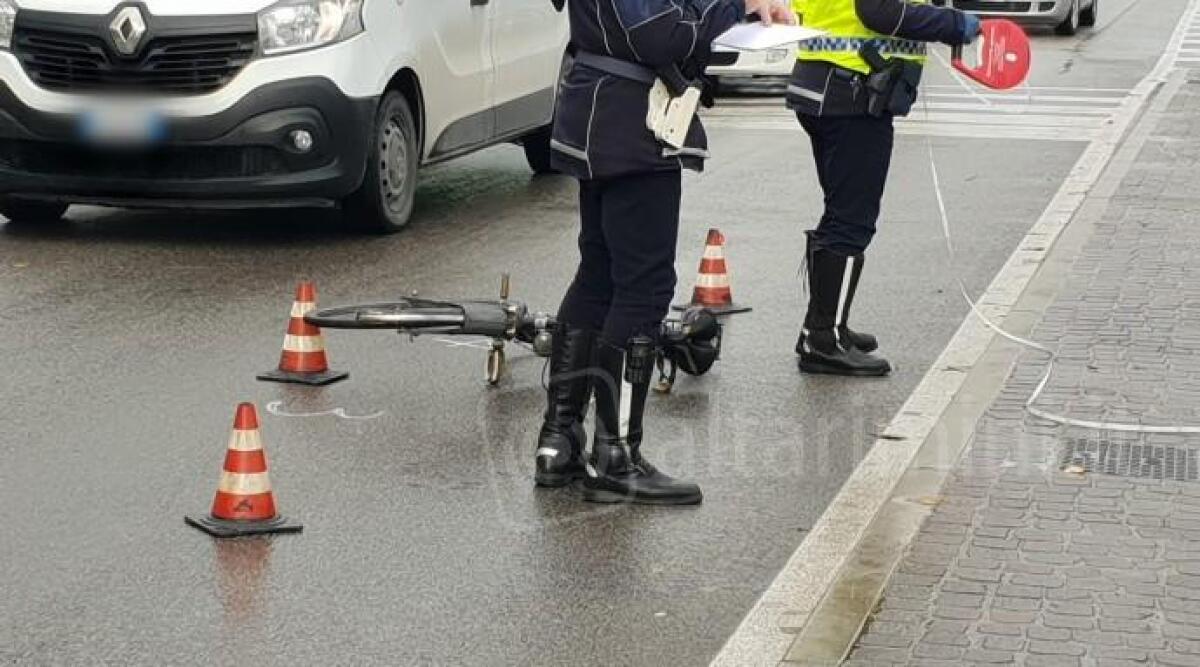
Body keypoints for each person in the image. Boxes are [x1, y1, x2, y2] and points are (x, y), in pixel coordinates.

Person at [535, 0, 796, 505]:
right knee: (644, 287)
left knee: (599, 276)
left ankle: (559, 441)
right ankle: (615, 456)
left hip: (601, 111)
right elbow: (660, 33)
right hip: (632, 121)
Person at [788, 0, 980, 376]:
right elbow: (880, 12)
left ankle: (825, 325)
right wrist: (953, 24)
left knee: (839, 212)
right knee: (852, 220)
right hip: (853, 90)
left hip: (821, 83)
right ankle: (823, 340)